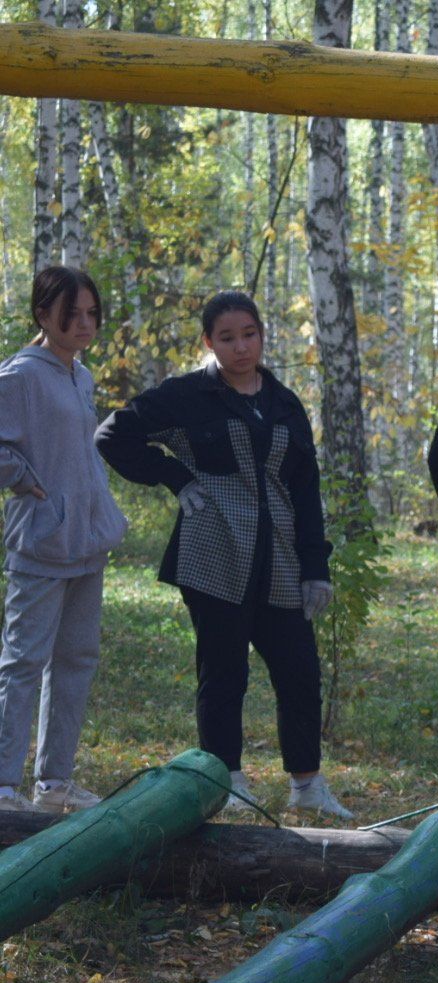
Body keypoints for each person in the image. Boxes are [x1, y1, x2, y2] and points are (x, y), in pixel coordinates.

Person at [97, 291, 349, 817]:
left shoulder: (283, 403)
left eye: (249, 335)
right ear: (209, 342)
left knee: (298, 669)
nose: (241, 347)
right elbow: (113, 435)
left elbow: (306, 488)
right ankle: (226, 782)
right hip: (213, 552)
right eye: (228, 338)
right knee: (224, 670)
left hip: (279, 555)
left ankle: (307, 783)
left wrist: (315, 566)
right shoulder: (188, 395)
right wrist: (175, 476)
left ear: (262, 334)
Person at [0, 267, 128, 814]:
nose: (83, 323)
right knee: (23, 660)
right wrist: (24, 480)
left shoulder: (81, 375)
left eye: (91, 313)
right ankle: (3, 786)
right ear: (42, 315)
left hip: (87, 541)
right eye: (71, 313)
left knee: (76, 658)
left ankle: (53, 783)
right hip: (43, 540)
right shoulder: (22, 375)